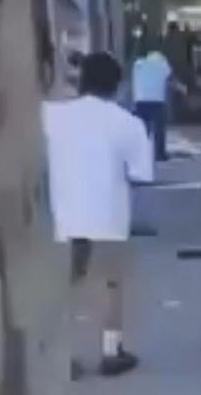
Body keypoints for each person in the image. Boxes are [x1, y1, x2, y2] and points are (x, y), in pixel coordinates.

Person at [42, 52, 153, 376]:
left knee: (67, 285)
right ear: (117, 86)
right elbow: (141, 175)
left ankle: (66, 356)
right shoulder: (129, 124)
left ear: (81, 80)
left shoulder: (51, 116)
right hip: (108, 213)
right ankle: (111, 350)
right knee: (110, 283)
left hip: (63, 213)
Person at [131, 37, 174, 161]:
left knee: (143, 130)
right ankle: (159, 154)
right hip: (157, 101)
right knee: (159, 130)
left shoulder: (138, 64)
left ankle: (139, 154)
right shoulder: (163, 64)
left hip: (140, 100)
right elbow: (170, 78)